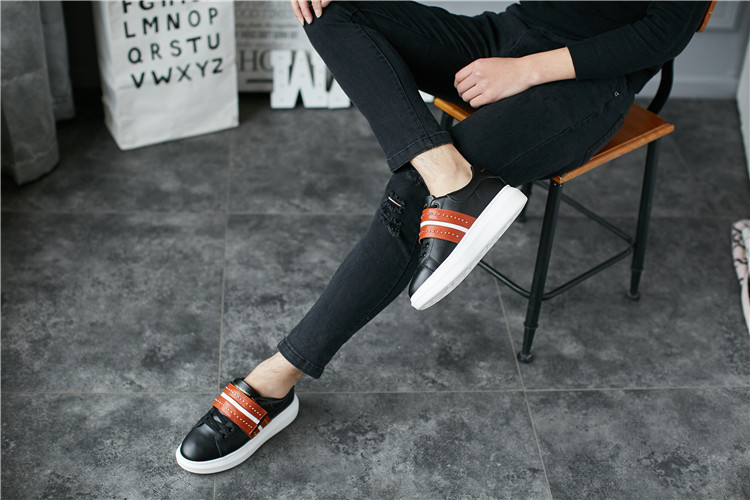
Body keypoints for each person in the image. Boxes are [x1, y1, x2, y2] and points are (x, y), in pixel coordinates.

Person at [175, 0, 710, 474]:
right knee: (332, 10)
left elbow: (662, 34)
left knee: (408, 196)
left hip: (586, 84)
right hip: (508, 34)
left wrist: (525, 71)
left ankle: (274, 381)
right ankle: (445, 172)